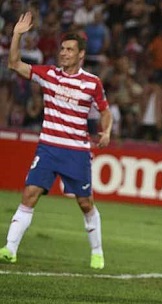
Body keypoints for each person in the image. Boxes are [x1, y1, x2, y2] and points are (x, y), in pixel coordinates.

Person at [0, 12, 112, 270]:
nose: (64, 53)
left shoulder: (91, 83)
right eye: (62, 49)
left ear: (81, 54)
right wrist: (17, 34)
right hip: (49, 147)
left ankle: (97, 251)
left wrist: (106, 132)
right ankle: (10, 248)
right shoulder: (49, 74)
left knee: (85, 203)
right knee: (30, 194)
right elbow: (14, 64)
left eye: (70, 50)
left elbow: (105, 111)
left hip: (76, 151)